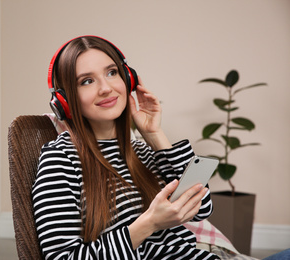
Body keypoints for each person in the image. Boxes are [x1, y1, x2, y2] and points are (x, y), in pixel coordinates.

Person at [32, 35, 219, 259]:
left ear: (128, 79)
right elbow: (61, 257)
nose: (106, 88)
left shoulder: (141, 150)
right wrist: (148, 224)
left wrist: (154, 135)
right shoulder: (60, 159)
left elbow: (202, 207)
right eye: (86, 81)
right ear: (64, 101)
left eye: (112, 73)